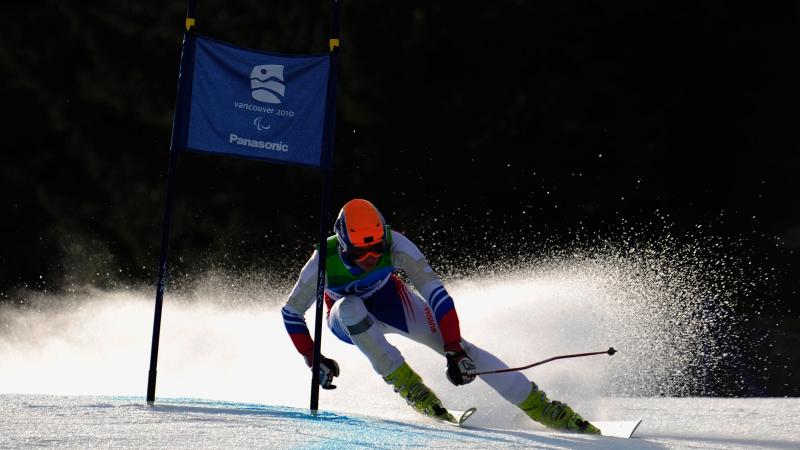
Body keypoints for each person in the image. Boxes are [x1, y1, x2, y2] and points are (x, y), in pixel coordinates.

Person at [281, 198, 599, 434]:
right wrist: (313, 357)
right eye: (359, 253)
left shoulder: (397, 244)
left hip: (393, 303)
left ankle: (543, 407)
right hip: (346, 320)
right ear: (343, 246)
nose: (370, 258)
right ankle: (413, 389)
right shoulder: (323, 258)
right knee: (351, 307)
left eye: (376, 250)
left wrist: (453, 351)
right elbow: (292, 313)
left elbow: (438, 297)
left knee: (464, 349)